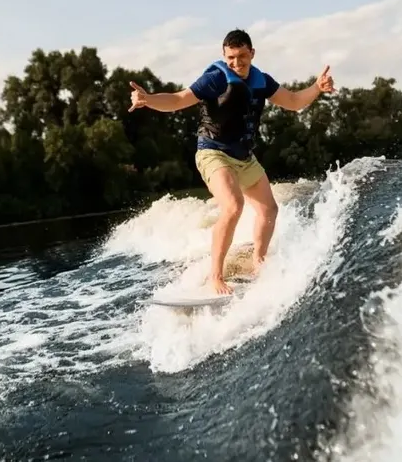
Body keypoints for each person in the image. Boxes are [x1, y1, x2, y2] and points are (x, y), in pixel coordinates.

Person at [128, 29, 335, 295]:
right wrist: (149, 100)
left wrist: (317, 87)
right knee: (234, 205)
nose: (236, 64)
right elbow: (179, 99)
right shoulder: (215, 79)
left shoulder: (262, 81)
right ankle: (216, 276)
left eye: (242, 57)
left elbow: (293, 102)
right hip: (212, 152)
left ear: (252, 53)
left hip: (244, 158)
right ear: (224, 56)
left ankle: (258, 262)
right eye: (231, 58)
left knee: (269, 210)